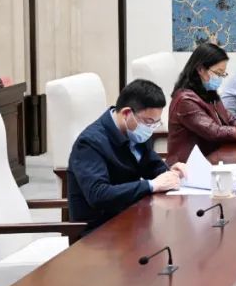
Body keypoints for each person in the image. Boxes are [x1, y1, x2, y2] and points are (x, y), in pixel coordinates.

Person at [67, 79, 186, 231]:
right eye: (148, 122)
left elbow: (151, 165)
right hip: (99, 231)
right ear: (126, 113)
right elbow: (99, 195)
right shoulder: (90, 143)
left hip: (132, 218)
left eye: (156, 123)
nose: (150, 129)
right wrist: (151, 185)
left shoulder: (135, 132)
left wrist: (170, 173)